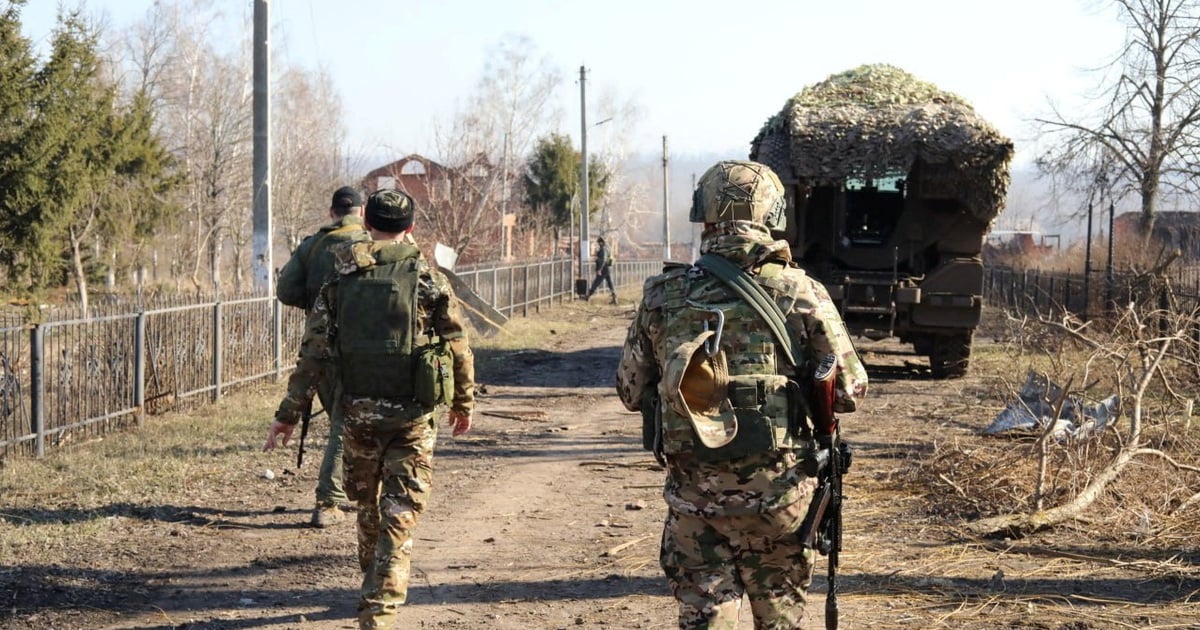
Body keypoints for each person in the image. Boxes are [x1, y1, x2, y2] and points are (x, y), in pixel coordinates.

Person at [615, 160, 868, 629]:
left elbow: (631, 391)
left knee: (707, 617)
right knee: (779, 620)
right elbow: (851, 389)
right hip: (781, 502)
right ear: (773, 217)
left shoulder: (663, 295)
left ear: (704, 217)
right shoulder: (802, 292)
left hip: (695, 502)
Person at [267, 188, 476, 630]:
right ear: (411, 228)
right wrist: (463, 401)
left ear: (369, 223)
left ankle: (374, 583)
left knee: (368, 506)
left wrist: (289, 413)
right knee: (400, 512)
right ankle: (379, 607)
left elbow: (314, 353)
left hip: (358, 411)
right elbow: (458, 346)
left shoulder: (341, 278)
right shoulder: (427, 278)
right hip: (415, 414)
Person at [272, 186, 370, 528]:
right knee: (346, 425)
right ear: (361, 211)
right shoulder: (372, 244)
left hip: (320, 349)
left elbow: (285, 291)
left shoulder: (312, 245)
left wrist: (316, 305)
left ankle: (352, 492)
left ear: (332, 212)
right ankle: (328, 500)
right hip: (362, 349)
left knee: (341, 421)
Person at [585, 236, 616, 304]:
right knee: (610, 283)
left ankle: (588, 296)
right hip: (608, 268)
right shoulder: (608, 248)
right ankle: (615, 298)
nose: (598, 244)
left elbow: (603, 260)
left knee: (596, 282)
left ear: (601, 242)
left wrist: (599, 269)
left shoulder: (603, 249)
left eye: (599, 243)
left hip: (603, 269)